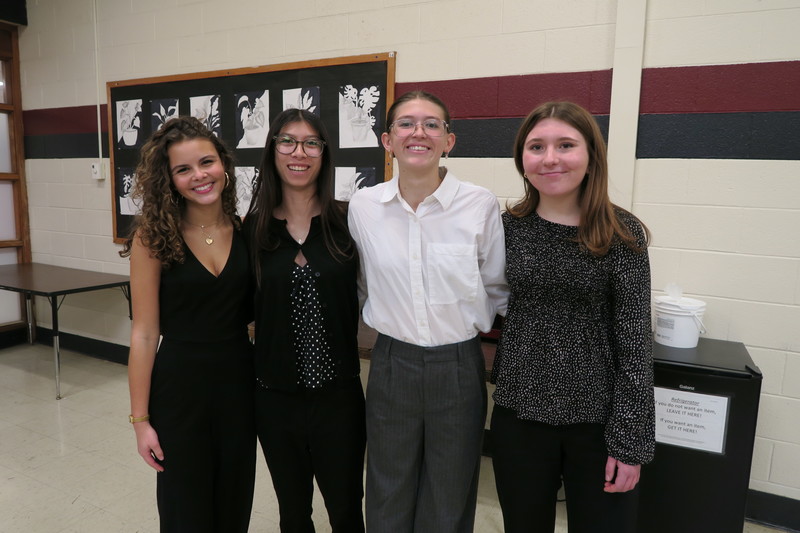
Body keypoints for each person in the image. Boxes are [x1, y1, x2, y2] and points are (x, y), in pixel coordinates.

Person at [490, 100, 655, 533]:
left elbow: (635, 343)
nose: (550, 158)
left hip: (597, 424)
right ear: (522, 160)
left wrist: (631, 441)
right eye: (536, 147)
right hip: (519, 415)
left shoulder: (620, 233)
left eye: (565, 145)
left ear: (590, 156)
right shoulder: (507, 228)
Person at [347, 90, 509, 533]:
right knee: (387, 483)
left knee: (450, 490)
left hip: (457, 365)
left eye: (432, 124)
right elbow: (363, 283)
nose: (419, 132)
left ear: (448, 141)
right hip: (392, 362)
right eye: (406, 123)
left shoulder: (479, 204)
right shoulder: (365, 207)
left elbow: (495, 287)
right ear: (387, 140)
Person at [121, 116, 256, 532]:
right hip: (179, 389)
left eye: (207, 162)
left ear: (224, 167)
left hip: (238, 384)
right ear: (170, 179)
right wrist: (140, 422)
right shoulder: (153, 238)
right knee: (186, 510)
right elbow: (144, 334)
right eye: (184, 169)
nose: (199, 175)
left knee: (234, 502)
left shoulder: (245, 230)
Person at [245, 108, 366, 532]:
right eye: (288, 141)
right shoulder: (253, 229)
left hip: (339, 397)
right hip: (275, 398)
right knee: (293, 514)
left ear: (325, 153)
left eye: (311, 142)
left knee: (347, 510)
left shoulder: (349, 220)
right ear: (273, 150)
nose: (300, 152)